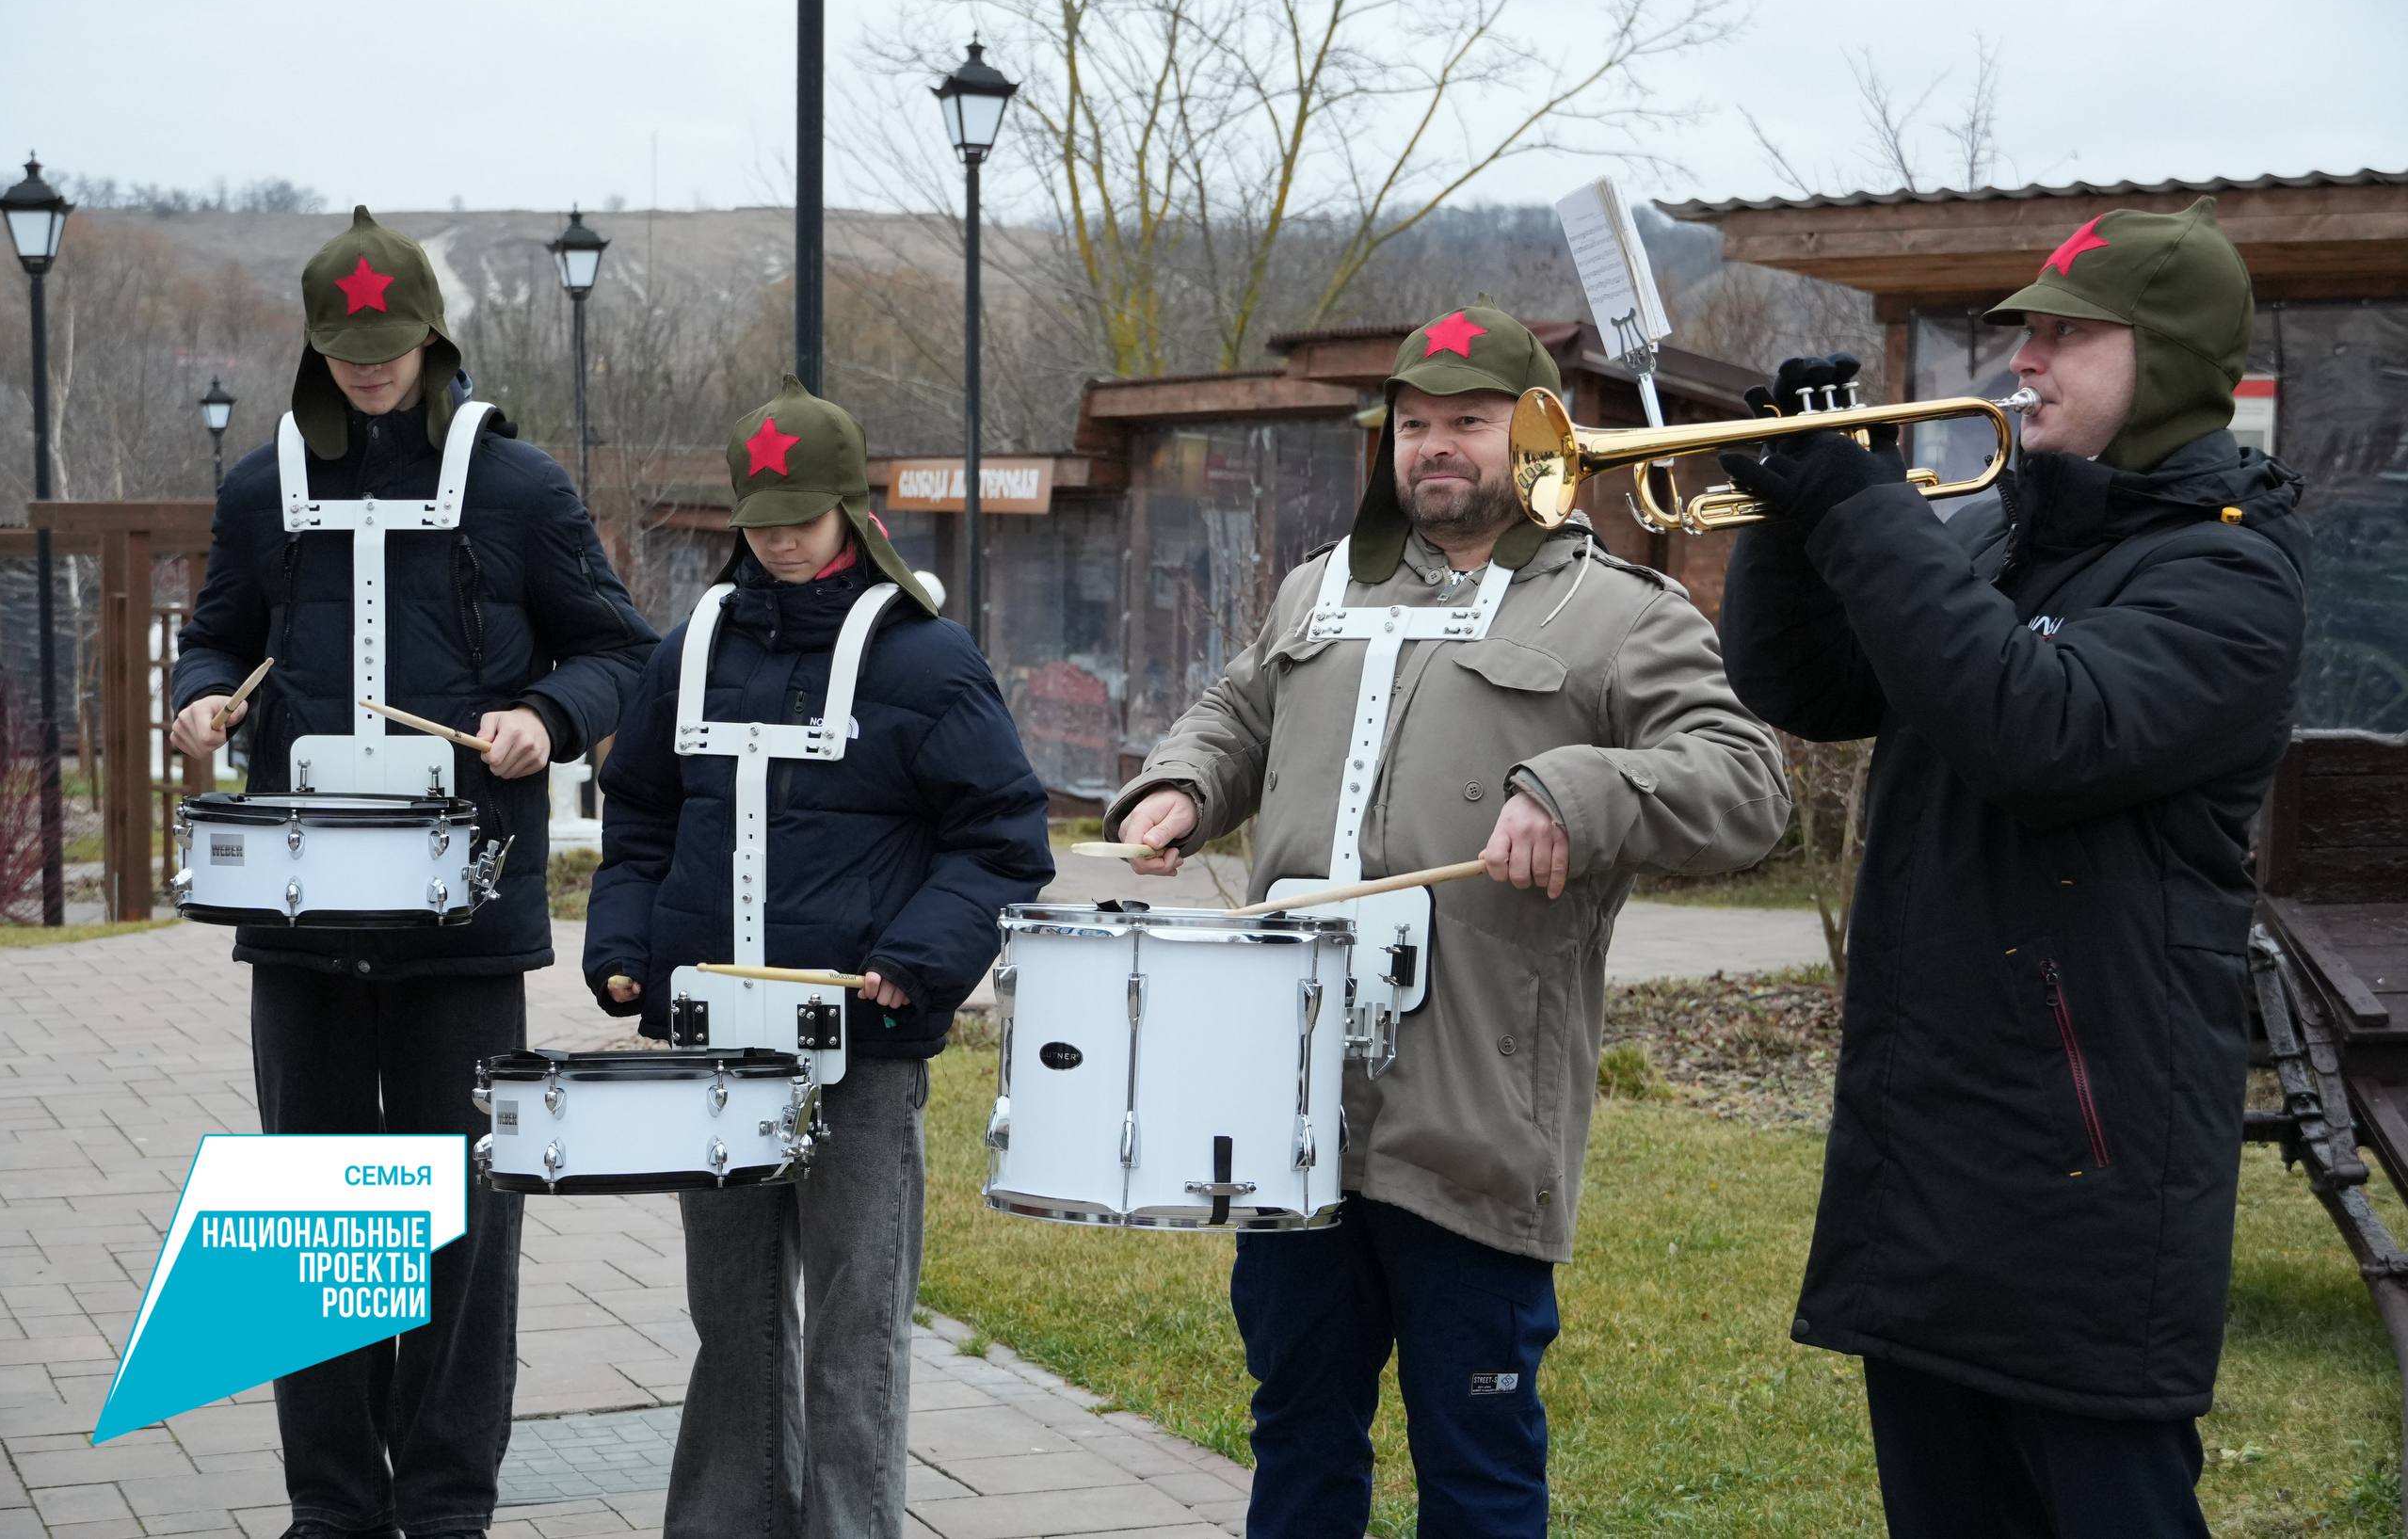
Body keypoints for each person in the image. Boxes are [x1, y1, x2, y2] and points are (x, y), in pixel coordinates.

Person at [1108, 300, 1790, 1537]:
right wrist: (1181, 781)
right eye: (1412, 424)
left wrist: (1582, 788)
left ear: (1540, 433)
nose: (1432, 447)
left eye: (1466, 422)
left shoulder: (1621, 610)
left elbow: (1746, 783)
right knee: (1298, 1432)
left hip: (1473, 1125)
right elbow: (1238, 714)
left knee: (1475, 1463)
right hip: (1291, 1114)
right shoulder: (1322, 587)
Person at [1715, 198, 2309, 1539]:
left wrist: (1865, 515)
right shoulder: (1998, 532)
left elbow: (2036, 728)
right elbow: (1804, 681)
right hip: (1933, 1152)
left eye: (2062, 335)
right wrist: (1796, 506)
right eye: (2021, 334)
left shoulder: (2229, 577)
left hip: (2089, 1177)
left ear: (2158, 361)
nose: (2022, 360)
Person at [169, 206, 657, 1539]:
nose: (366, 368)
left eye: (386, 346)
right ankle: (331, 1506)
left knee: (458, 1217)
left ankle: (445, 1506)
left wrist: (546, 719)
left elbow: (620, 651)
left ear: (431, 335)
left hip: (467, 914)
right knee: (313, 1216)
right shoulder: (260, 488)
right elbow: (215, 636)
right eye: (342, 348)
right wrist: (201, 699)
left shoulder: (521, 486)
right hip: (301, 910)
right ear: (315, 345)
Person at [583, 376, 1053, 1539]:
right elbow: (637, 812)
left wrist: (919, 956)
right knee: (730, 1320)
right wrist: (625, 941)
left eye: (803, 512)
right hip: (711, 1046)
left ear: (853, 506)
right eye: (761, 515)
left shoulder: (930, 661)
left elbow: (1003, 840)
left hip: (864, 1049)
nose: (781, 536)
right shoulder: (689, 647)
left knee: (856, 1326)